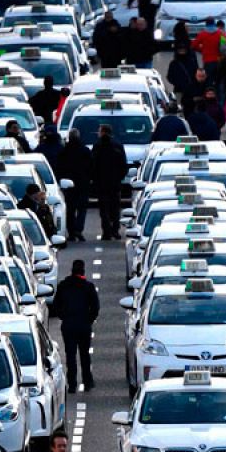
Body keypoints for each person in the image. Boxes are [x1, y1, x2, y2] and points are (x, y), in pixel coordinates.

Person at [51, 261, 100, 392]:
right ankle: (87, 381)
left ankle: (72, 384)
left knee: (70, 355)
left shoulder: (63, 286)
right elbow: (95, 307)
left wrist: (64, 317)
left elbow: (56, 306)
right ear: (83, 271)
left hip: (68, 325)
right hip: (83, 325)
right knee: (84, 354)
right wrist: (89, 319)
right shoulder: (88, 287)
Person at [93, 125, 129, 240]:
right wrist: (119, 177)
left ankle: (107, 232)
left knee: (104, 209)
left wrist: (95, 179)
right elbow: (124, 165)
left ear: (103, 132)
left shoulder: (97, 146)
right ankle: (115, 230)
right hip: (115, 183)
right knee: (115, 207)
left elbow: (93, 165)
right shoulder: (117, 146)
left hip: (102, 183)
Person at [57, 130, 92, 239]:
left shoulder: (64, 151)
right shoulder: (85, 151)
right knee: (82, 208)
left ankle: (71, 231)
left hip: (68, 184)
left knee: (70, 209)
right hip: (83, 183)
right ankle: (78, 229)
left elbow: (59, 167)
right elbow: (91, 166)